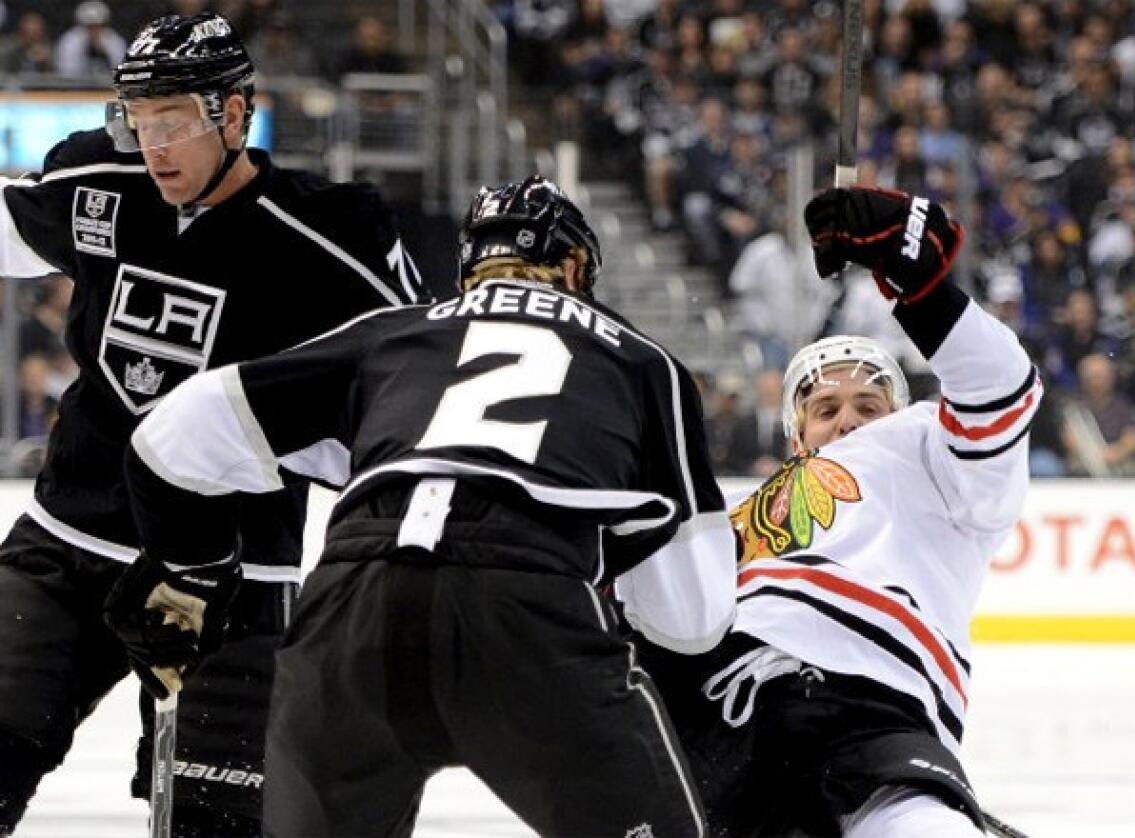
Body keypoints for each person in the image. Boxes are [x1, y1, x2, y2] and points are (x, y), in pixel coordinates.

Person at [104, 175, 736, 837]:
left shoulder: (391, 332)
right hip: (525, 603)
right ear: (577, 268)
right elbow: (691, 618)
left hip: (352, 602)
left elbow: (172, 431)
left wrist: (191, 568)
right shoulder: (639, 359)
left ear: (470, 267)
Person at [0, 12, 423, 837]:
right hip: (67, 545)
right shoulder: (100, 182)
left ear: (235, 114)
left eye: (176, 121)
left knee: (220, 821)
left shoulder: (333, 238)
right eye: (140, 120)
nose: (153, 145)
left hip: (236, 579)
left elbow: (415, 384)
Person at [640, 186, 1042, 837]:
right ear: (796, 438)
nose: (849, 420)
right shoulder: (738, 515)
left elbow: (1001, 389)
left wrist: (920, 280)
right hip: (720, 722)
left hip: (869, 712)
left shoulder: (932, 455)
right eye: (826, 411)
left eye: (867, 405)